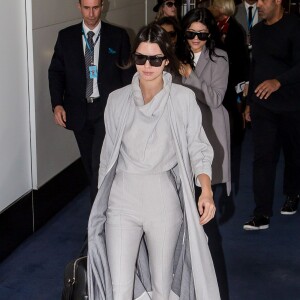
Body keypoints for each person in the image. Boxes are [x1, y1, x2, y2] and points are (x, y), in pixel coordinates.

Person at [87, 23, 220, 299]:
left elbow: (199, 147)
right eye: (141, 58)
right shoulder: (116, 100)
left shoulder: (183, 99)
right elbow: (107, 157)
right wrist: (102, 201)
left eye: (155, 58)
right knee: (119, 289)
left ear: (166, 60)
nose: (147, 65)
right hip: (121, 199)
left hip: (162, 199)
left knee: (162, 287)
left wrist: (205, 189)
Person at [48, 0, 133, 204]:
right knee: (89, 164)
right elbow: (56, 72)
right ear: (79, 7)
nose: (91, 13)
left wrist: (129, 108)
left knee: (98, 164)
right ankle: (107, 206)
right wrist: (57, 104)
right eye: (87, 8)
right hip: (78, 110)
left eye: (95, 7)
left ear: (102, 6)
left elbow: (127, 75)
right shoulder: (66, 37)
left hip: (107, 110)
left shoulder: (118, 36)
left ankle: (96, 224)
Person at [243, 0, 300, 230]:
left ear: (278, 1)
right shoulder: (256, 31)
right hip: (262, 106)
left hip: (292, 104)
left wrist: (279, 81)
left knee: (294, 154)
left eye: (263, 0)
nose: (258, 4)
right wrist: (248, 103)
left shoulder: (295, 26)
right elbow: (254, 67)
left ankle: (293, 193)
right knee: (262, 158)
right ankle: (261, 214)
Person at [179, 8, 231, 195]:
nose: (195, 39)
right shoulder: (175, 55)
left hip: (207, 127)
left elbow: (216, 99)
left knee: (202, 191)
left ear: (209, 34)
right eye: (191, 33)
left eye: (201, 34)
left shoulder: (219, 58)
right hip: (180, 127)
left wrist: (191, 75)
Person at [210, 0, 250, 146]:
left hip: (230, 80)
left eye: (215, 6)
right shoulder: (215, 25)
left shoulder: (236, 30)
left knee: (230, 112)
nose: (212, 9)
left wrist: (243, 81)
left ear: (222, 8)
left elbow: (241, 58)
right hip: (217, 76)